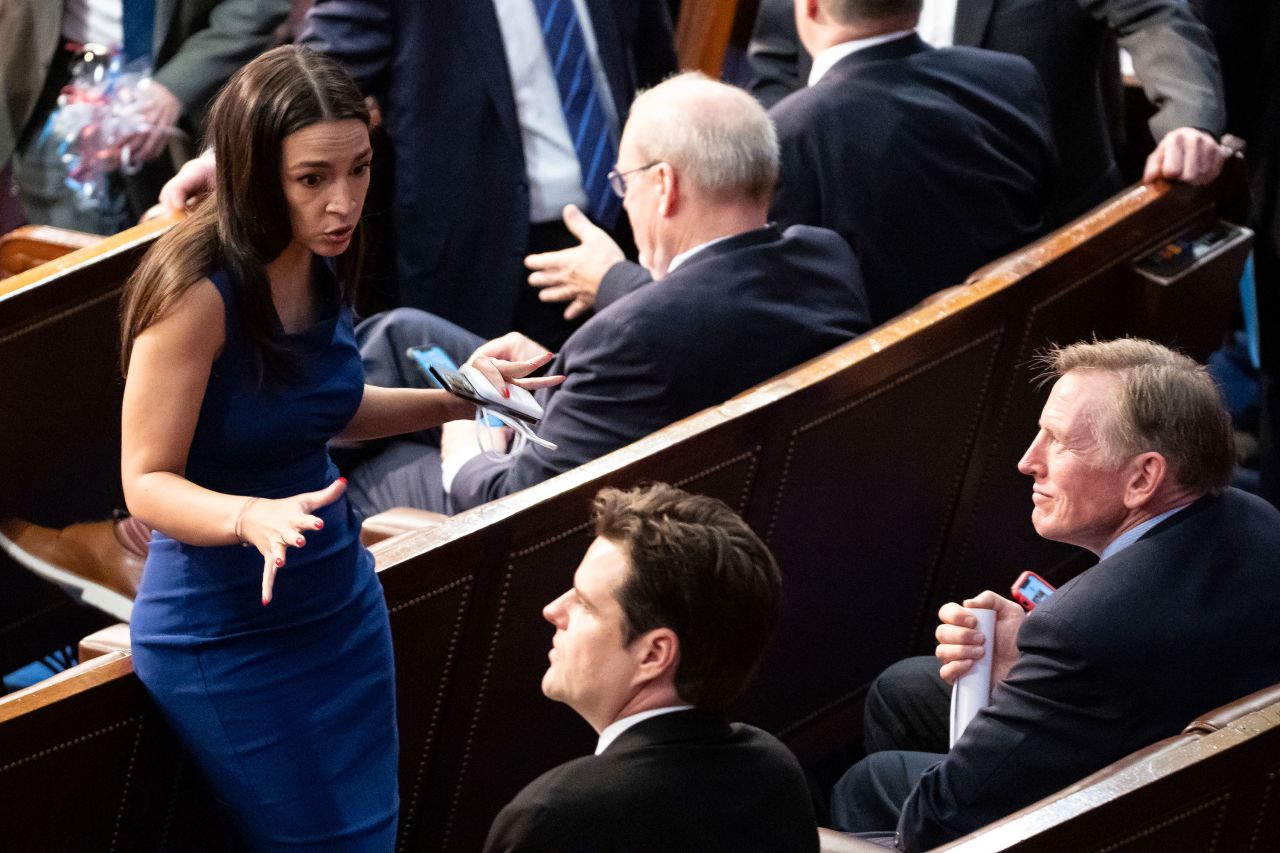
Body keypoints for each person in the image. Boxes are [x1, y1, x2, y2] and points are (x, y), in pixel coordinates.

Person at [118, 45, 559, 849]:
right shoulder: (194, 291)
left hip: (336, 601)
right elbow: (146, 479)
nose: (344, 201)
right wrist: (249, 516)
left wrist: (468, 393)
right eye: (312, 179)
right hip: (224, 627)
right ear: (256, 173)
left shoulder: (322, 259)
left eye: (358, 169)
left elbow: (330, 407)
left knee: (373, 831)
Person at [343, 72, 872, 517]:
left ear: (664, 186)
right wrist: (547, 389)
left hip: (589, 528)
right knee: (403, 333)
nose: (625, 202)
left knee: (370, 473)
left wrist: (464, 442)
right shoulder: (824, 260)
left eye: (625, 183)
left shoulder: (629, 339)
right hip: (692, 468)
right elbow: (693, 334)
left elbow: (515, 503)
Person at [828, 338, 1280, 851]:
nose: (1027, 461)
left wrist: (1046, 657)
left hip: (1132, 821)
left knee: (869, 783)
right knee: (902, 689)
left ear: (1144, 477)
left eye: (1059, 442)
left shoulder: (1080, 629)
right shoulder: (1256, 516)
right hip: (1206, 771)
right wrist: (1026, 662)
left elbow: (938, 819)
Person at [288, 0, 678, 346]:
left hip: (634, 233)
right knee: (495, 423)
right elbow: (307, 88)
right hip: (486, 263)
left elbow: (657, 75)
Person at [483, 483, 818, 852]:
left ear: (654, 655)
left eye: (586, 603)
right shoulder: (774, 772)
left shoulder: (555, 818)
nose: (553, 611)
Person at [746, 0, 1229, 224]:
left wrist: (1186, 123)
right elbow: (779, 66)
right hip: (864, 243)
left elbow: (1155, 17)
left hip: (1046, 230)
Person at [768, 0, 1056, 323]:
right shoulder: (1010, 77)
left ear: (810, 6)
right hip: (1026, 329)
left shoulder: (788, 133)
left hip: (883, 365)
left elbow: (788, 294)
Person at [2, 0, 292, 232]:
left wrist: (175, 87)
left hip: (195, 93)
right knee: (73, 266)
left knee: (178, 252)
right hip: (56, 82)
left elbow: (259, 5)